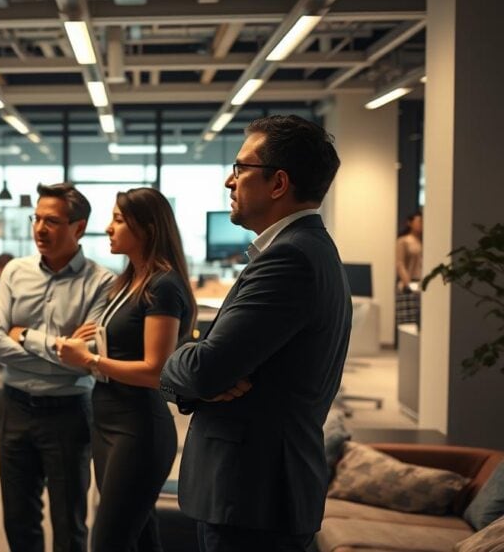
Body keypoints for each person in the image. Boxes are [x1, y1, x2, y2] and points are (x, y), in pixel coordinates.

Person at [158, 115, 352, 552]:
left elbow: (206, 369)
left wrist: (179, 358)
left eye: (240, 168)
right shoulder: (307, 249)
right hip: (258, 493)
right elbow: (209, 374)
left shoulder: (290, 260)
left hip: (252, 496)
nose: (230, 181)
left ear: (278, 183)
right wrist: (199, 373)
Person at [56, 187, 195, 552]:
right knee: (140, 537)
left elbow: (155, 371)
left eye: (118, 220)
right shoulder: (129, 281)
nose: (108, 228)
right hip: (107, 421)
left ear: (147, 228)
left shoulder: (163, 286)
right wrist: (84, 346)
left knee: (108, 541)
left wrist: (88, 361)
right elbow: (116, 343)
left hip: (139, 429)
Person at [0, 182, 115, 552]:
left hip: (68, 414)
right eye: (37, 218)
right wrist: (63, 352)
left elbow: (86, 359)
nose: (40, 229)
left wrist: (25, 336)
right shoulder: (14, 271)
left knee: (69, 522)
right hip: (14, 407)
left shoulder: (102, 282)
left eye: (52, 221)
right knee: (18, 520)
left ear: (78, 227)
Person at [395, 211, 423, 324]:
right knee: (408, 322)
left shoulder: (422, 242)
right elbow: (399, 263)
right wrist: (408, 283)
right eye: (419, 221)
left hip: (420, 284)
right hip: (409, 285)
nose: (422, 224)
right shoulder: (403, 241)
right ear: (410, 223)